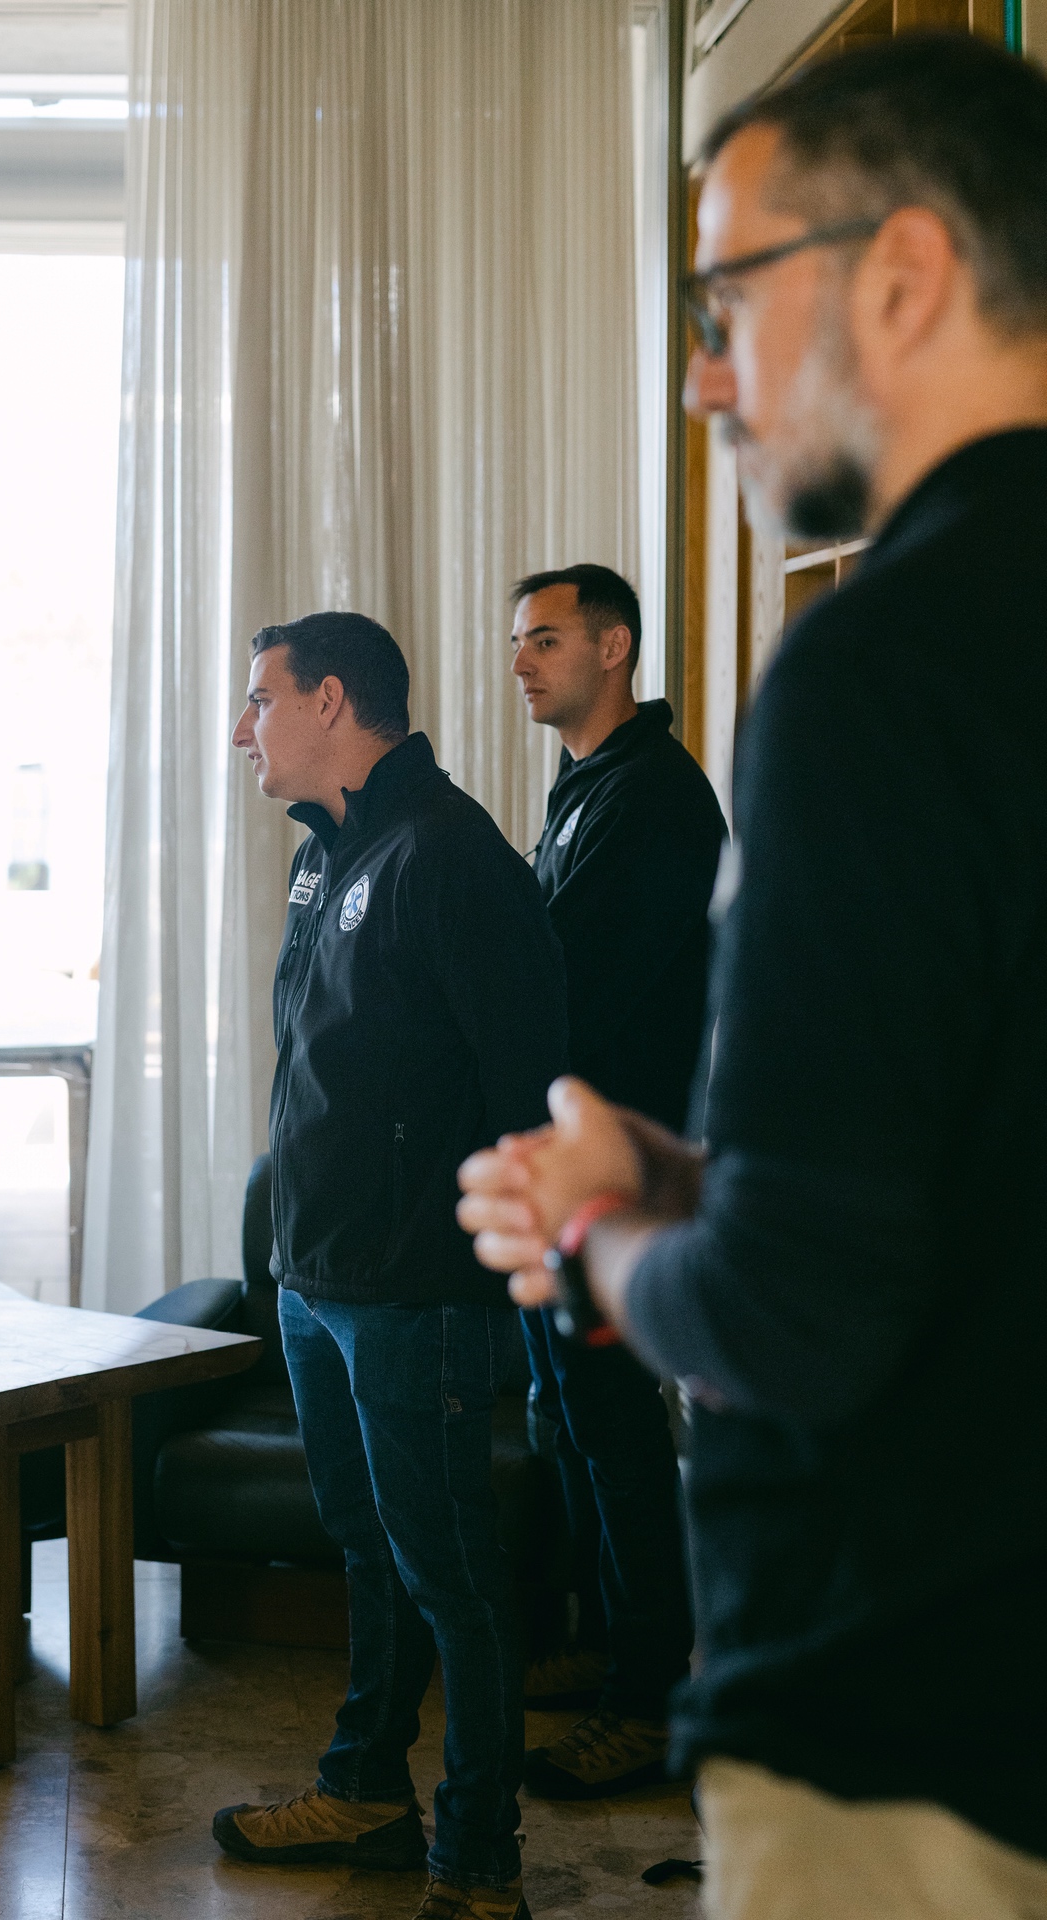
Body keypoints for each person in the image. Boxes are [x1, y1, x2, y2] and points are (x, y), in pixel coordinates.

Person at [458, 33, 1047, 1920]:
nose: (707, 375)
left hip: (920, 1714)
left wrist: (599, 1228)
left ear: (904, 272)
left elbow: (796, 1317)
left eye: (727, 301)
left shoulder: (886, 671)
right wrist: (709, 1175)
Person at [215, 611, 568, 1920]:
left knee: (452, 1576)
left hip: (416, 1291)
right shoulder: (324, 856)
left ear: (330, 700)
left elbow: (529, 1089)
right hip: (316, 1278)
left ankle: (478, 1861)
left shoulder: (451, 856)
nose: (242, 729)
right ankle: (366, 1786)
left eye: (261, 699)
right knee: (368, 1550)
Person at [508, 563, 724, 1797]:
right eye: (519, 643)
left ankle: (646, 1702)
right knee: (573, 1427)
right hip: (574, 1165)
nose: (521, 662)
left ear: (614, 647)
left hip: (627, 1175)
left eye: (545, 640)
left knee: (616, 1436)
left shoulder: (653, 797)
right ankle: (603, 1647)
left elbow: (566, 975)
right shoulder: (586, 785)